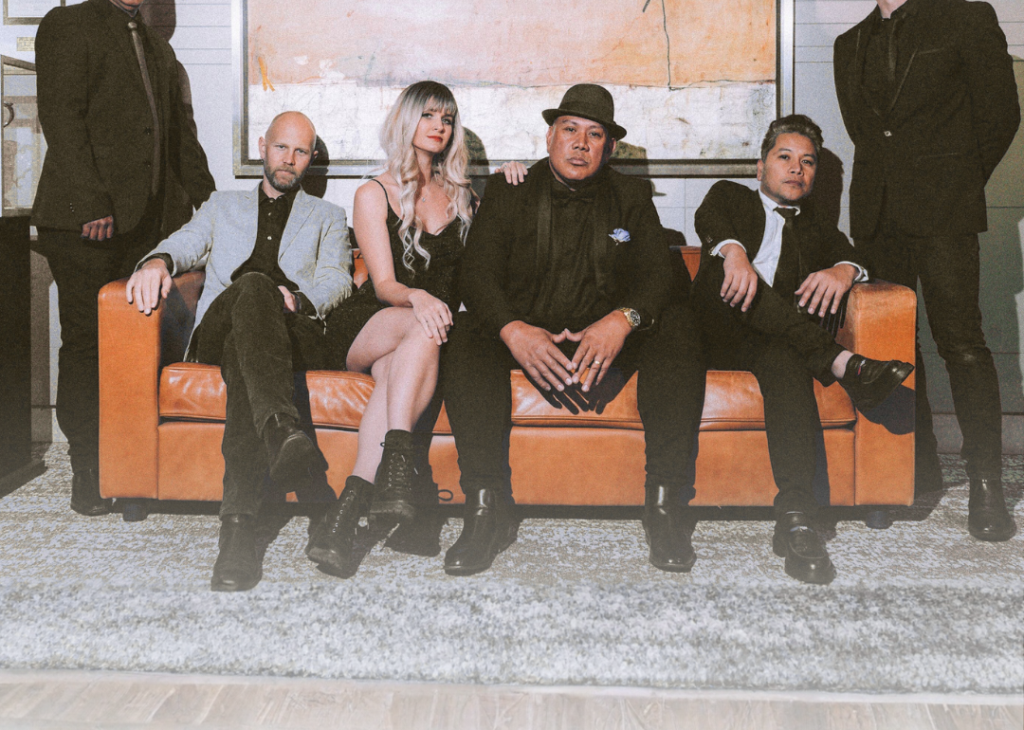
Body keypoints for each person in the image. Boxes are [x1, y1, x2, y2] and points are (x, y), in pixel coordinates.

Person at [438, 83, 707, 576]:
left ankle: (664, 507)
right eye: (570, 130)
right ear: (549, 137)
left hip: (605, 343)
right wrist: (514, 331)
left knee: (678, 326)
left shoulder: (630, 195)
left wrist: (622, 321)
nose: (581, 144)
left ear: (609, 147)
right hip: (529, 339)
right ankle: (484, 508)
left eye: (595, 134)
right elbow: (475, 275)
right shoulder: (509, 189)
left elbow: (660, 276)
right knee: (468, 334)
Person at [834, 0, 1020, 541]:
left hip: (944, 213)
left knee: (962, 344)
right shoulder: (849, 43)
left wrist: (954, 184)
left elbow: (1001, 115)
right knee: (891, 347)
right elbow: (866, 133)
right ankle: (911, 471)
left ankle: (986, 485)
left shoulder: (967, 19)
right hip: (878, 217)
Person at [125, 111, 351, 592]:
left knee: (244, 351)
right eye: (281, 147)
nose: (289, 159)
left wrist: (300, 300)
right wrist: (158, 261)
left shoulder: (329, 216)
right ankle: (281, 429)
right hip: (223, 320)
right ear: (263, 146)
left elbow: (338, 279)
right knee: (252, 286)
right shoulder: (221, 204)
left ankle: (238, 531)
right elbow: (186, 242)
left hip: (289, 332)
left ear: (311, 158)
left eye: (301, 151)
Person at [33, 0, 215, 517]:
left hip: (145, 229)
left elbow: (180, 139)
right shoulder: (67, 25)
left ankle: (128, 468)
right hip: (84, 224)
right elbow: (61, 119)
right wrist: (92, 203)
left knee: (137, 345)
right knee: (89, 344)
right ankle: (88, 470)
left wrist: (214, 206)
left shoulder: (159, 51)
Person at [691, 114, 915, 584]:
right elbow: (709, 220)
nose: (796, 168)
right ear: (761, 167)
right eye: (785, 157)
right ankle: (841, 363)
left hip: (772, 341)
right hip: (713, 332)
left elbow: (861, 257)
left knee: (786, 361)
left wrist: (843, 270)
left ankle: (796, 518)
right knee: (730, 278)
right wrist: (735, 254)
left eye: (807, 162)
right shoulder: (730, 197)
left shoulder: (817, 229)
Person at [308, 82, 480, 575]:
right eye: (428, 115)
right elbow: (383, 285)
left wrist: (516, 178)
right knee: (425, 325)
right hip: (371, 322)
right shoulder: (374, 192)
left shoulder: (463, 196)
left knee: (396, 373)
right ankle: (401, 467)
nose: (439, 126)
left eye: (447, 118)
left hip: (420, 335)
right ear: (407, 120)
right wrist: (419, 297)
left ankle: (344, 518)